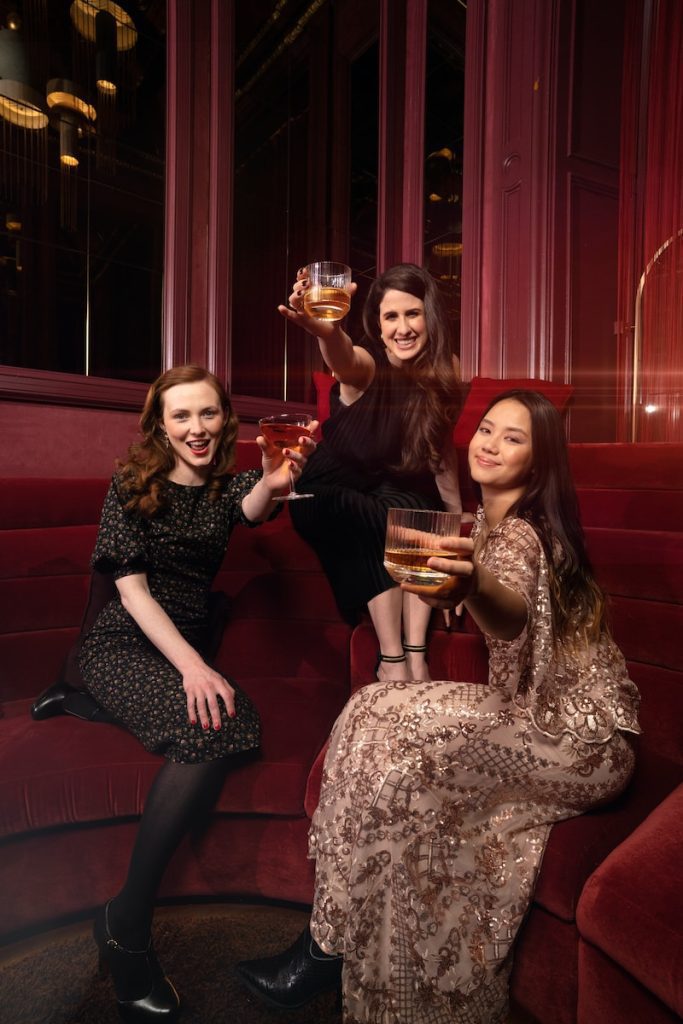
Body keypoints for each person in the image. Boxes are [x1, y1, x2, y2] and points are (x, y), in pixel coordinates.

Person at [236, 390, 641, 1024]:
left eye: (513, 439)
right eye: (486, 429)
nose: (489, 443)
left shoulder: (522, 538)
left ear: (538, 465)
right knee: (372, 706)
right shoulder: (481, 527)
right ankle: (327, 941)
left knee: (402, 776)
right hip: (522, 710)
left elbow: (506, 615)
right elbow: (410, 555)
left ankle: (346, 963)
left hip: (577, 742)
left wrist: (474, 584)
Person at [62, 365, 315, 1022]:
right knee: (218, 725)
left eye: (207, 415)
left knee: (233, 721)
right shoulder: (131, 486)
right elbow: (132, 593)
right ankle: (128, 926)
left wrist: (275, 480)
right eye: (181, 416)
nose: (196, 428)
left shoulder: (226, 487)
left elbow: (254, 507)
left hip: (183, 647)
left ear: (223, 421)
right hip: (127, 642)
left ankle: (120, 916)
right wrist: (193, 670)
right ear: (160, 425)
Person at [280, 262, 462, 683]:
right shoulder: (368, 367)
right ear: (378, 326)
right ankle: (392, 658)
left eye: (412, 314)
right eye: (390, 317)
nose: (402, 328)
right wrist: (326, 331)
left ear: (430, 317)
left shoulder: (445, 368)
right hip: (327, 490)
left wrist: (456, 517)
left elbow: (439, 449)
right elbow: (345, 359)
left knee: (422, 509)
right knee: (389, 519)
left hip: (385, 488)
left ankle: (417, 655)